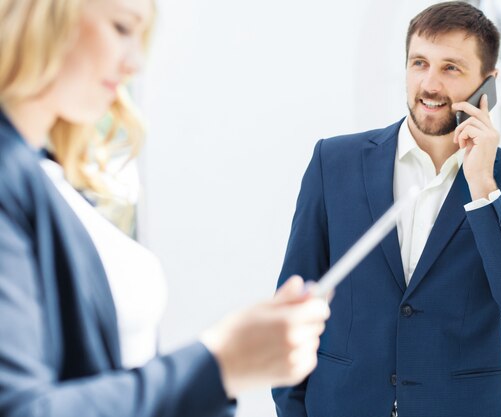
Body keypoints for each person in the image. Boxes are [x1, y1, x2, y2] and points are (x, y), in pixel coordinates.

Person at [0, 0, 330, 416]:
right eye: (121, 28)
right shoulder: (10, 172)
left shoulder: (46, 173)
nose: (134, 62)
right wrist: (220, 364)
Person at [272, 2, 501, 416]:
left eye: (451, 68)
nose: (429, 83)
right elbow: (293, 300)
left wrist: (484, 188)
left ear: (488, 83)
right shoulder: (333, 162)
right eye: (419, 63)